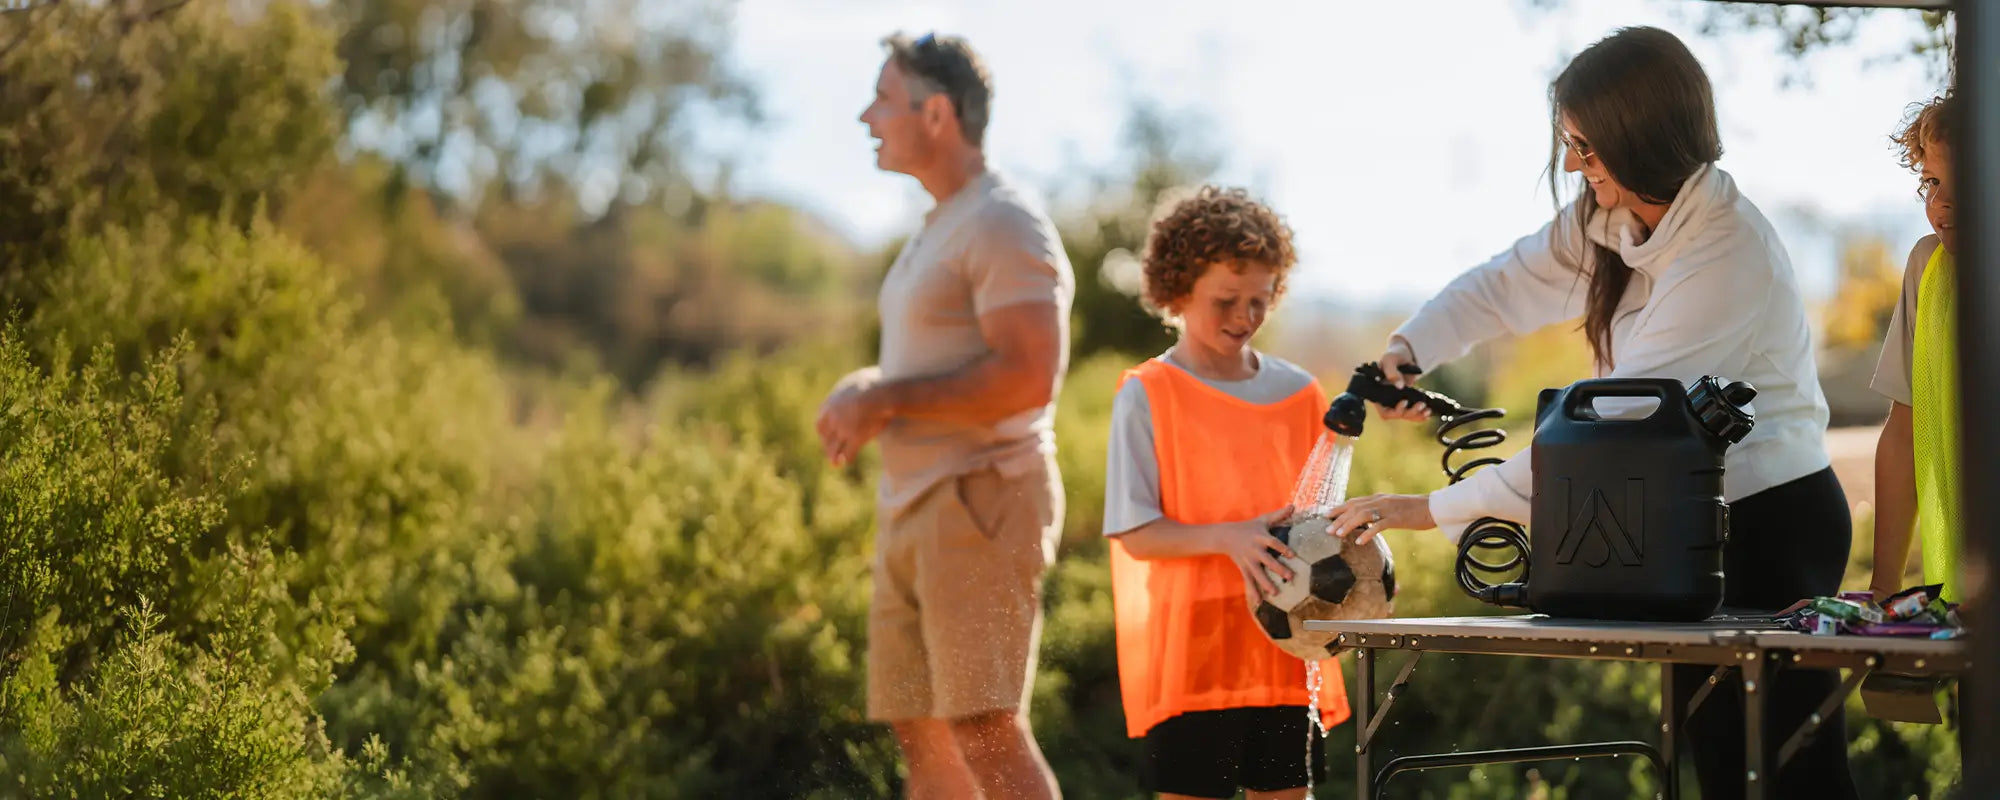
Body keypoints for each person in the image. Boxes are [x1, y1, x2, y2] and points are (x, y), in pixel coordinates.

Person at [1324, 27, 1857, 799]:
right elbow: (1504, 284)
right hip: (1687, 522)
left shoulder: (1727, 254)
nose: (1574, 162)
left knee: (1789, 769)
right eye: (1570, 143)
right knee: (1718, 761)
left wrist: (1429, 509)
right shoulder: (1606, 220)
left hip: (1776, 524)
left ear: (1640, 137)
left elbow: (1604, 447)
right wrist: (1409, 349)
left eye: (1586, 144)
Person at [817, 31, 1073, 800]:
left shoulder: (1004, 221)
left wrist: (886, 398)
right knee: (925, 740)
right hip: (913, 508)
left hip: (980, 499)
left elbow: (1029, 376)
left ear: (936, 114)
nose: (867, 117)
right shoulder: (940, 224)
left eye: (883, 99)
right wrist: (872, 385)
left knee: (986, 729)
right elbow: (941, 358)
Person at [1102, 185, 1350, 800]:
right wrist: (1232, 539)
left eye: (1259, 302)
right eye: (1225, 301)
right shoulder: (1146, 394)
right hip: (1192, 653)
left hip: (1286, 645)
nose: (1244, 318)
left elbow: (1322, 521)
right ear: (1178, 290)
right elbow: (1135, 533)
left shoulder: (1301, 395)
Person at [1869, 90, 1967, 606]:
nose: (1942, 201)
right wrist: (1884, 590)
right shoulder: (1928, 269)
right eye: (1931, 181)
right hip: (1964, 593)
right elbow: (1904, 432)